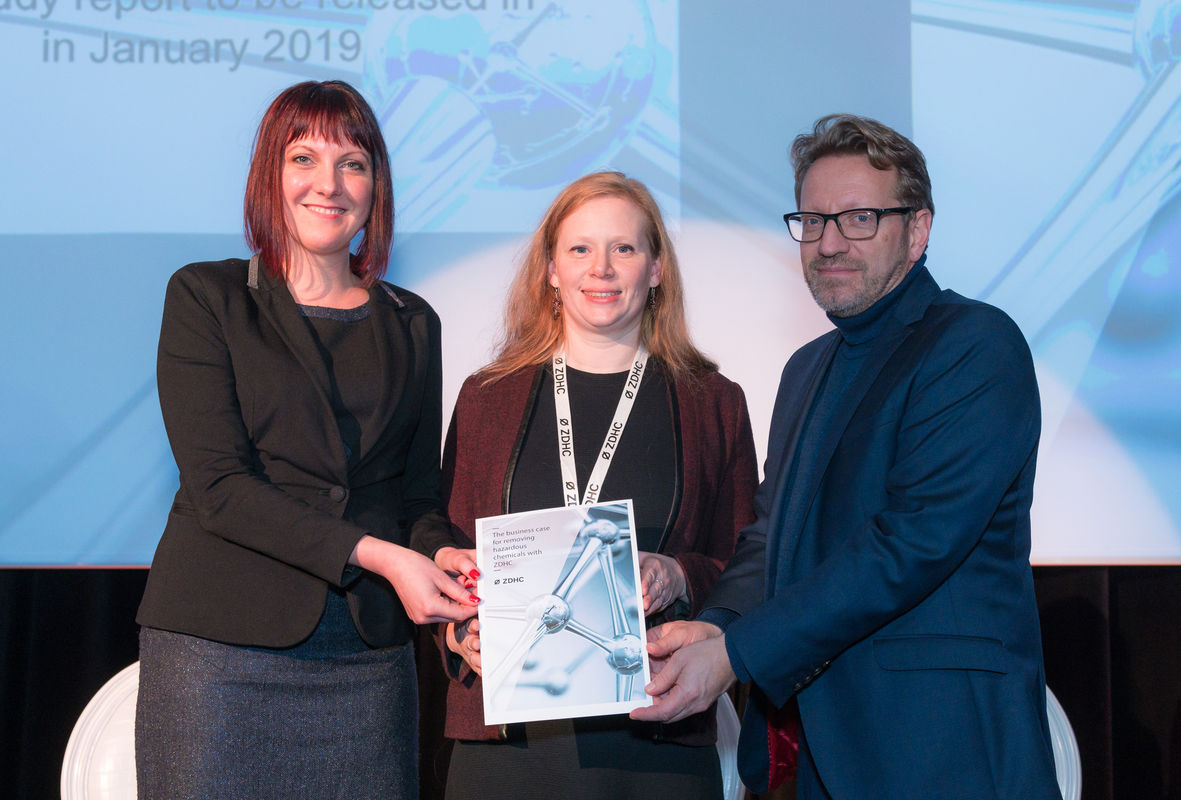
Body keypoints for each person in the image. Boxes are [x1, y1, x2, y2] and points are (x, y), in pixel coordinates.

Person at [631, 114, 1062, 799]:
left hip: (941, 749)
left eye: (860, 218)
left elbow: (910, 543)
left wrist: (736, 654)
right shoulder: (807, 368)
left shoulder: (976, 344)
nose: (830, 242)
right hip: (818, 753)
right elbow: (769, 536)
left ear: (917, 231)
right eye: (813, 220)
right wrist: (712, 628)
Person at [134, 80, 478, 800]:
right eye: (304, 159)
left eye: (353, 163)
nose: (329, 184)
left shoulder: (414, 321)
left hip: (366, 661)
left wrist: (442, 554)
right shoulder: (207, 297)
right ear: (271, 174)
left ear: (376, 187)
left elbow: (416, 496)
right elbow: (220, 489)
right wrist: (382, 555)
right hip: (219, 657)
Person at [412, 171, 758, 800]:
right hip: (509, 743)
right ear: (551, 269)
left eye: (623, 248)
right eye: (580, 249)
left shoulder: (713, 402)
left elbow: (747, 564)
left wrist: (679, 575)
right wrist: (459, 632)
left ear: (656, 269)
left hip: (657, 735)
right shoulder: (487, 397)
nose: (601, 268)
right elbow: (446, 542)